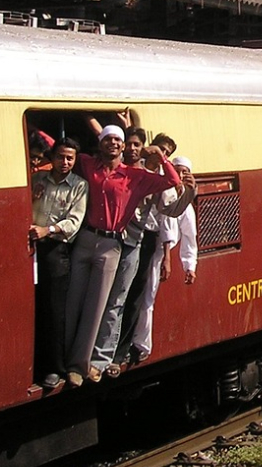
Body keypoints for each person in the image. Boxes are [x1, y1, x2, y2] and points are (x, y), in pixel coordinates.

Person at [63, 125, 180, 387]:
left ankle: (81, 366)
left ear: (124, 145)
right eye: (109, 139)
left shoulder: (135, 176)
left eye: (118, 140)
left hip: (112, 244)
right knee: (73, 301)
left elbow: (173, 182)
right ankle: (68, 358)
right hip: (84, 239)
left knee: (97, 306)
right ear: (101, 143)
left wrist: (161, 157)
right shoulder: (87, 164)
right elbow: (61, 152)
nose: (114, 144)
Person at [127, 156, 199, 364]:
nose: (181, 175)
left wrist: (189, 265)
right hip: (141, 242)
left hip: (156, 250)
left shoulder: (185, 204)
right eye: (178, 170)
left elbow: (189, 235)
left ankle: (141, 344)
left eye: (185, 171)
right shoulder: (159, 190)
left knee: (147, 296)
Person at [30, 137, 88, 389]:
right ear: (51, 157)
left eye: (70, 158)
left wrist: (48, 230)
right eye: (60, 157)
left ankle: (55, 368)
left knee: (56, 310)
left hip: (56, 248)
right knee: (35, 305)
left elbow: (73, 223)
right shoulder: (36, 180)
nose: (64, 162)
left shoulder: (79, 186)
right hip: (32, 247)